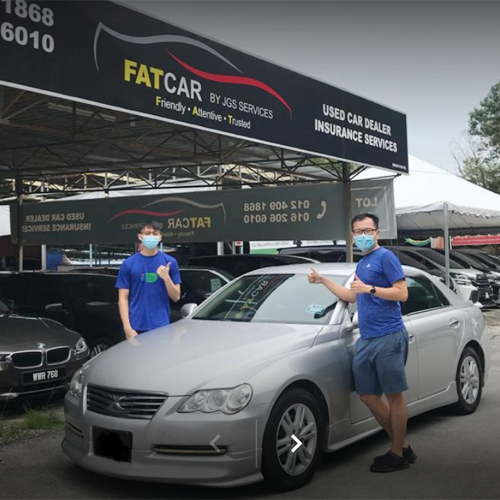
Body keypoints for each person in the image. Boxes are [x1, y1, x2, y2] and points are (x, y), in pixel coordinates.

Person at [308, 213, 415, 473]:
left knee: (394, 395)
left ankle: (397, 453)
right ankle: (402, 447)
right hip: (366, 339)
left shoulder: (385, 257)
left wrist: (372, 289)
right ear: (353, 235)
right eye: (358, 231)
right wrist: (323, 280)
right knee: (368, 395)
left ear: (377, 233)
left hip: (388, 336)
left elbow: (402, 293)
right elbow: (351, 296)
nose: (362, 235)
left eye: (367, 230)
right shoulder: (363, 263)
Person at [116, 220, 181, 339]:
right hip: (135, 327)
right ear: (140, 236)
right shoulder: (128, 264)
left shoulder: (170, 263)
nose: (151, 236)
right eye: (147, 233)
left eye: (155, 233)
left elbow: (176, 297)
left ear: (160, 237)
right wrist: (128, 328)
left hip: (161, 327)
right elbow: (122, 299)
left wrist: (166, 278)